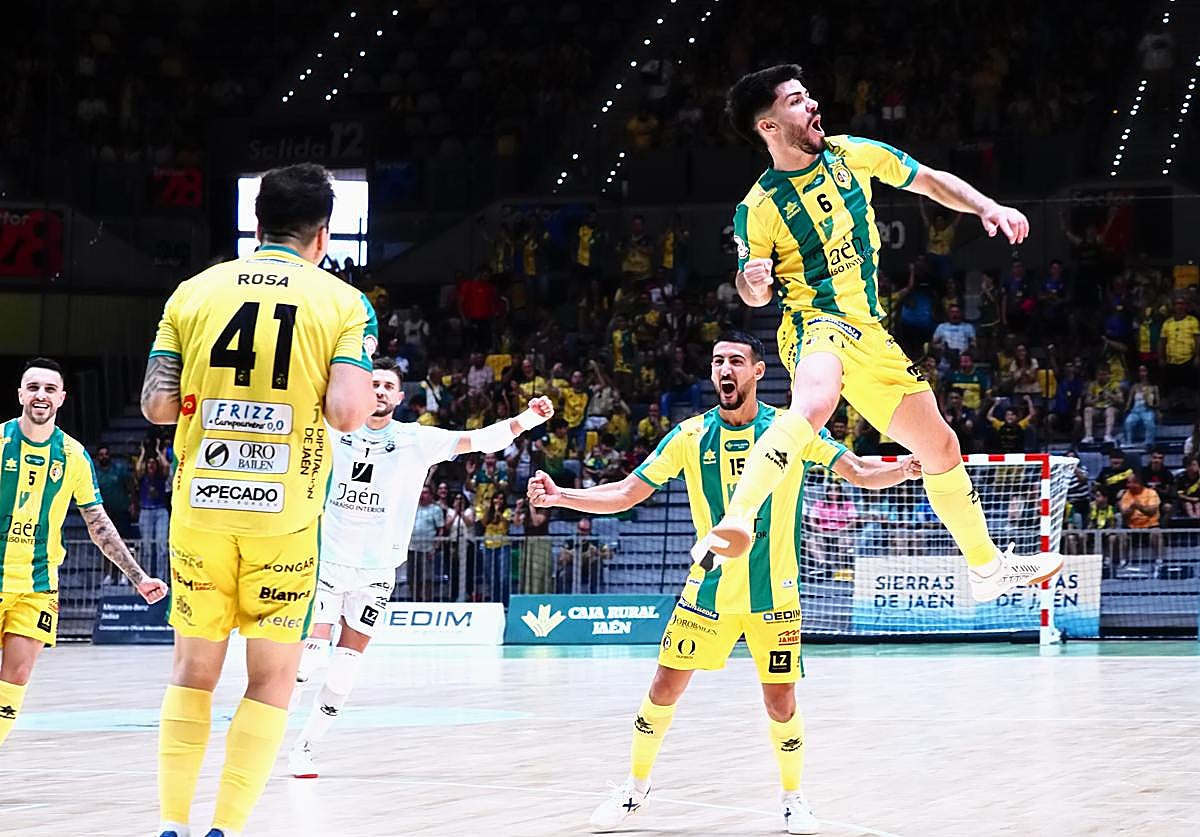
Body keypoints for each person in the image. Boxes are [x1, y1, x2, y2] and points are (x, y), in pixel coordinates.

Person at [527, 332, 920, 834]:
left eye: (736, 360)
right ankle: (634, 790)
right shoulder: (690, 436)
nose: (725, 369)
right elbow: (627, 493)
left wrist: (906, 467)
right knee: (662, 689)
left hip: (773, 594)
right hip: (707, 591)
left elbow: (860, 471)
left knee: (781, 701)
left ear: (758, 371)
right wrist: (564, 497)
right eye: (717, 362)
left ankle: (793, 800)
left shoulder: (791, 429)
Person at [714, 64, 1058, 600]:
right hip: (814, 321)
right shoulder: (757, 208)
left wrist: (987, 206)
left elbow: (929, 179)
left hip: (869, 332)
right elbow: (754, 292)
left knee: (941, 445)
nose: (812, 106)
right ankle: (737, 518)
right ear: (769, 126)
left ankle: (987, 569)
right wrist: (751, 282)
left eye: (809, 96)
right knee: (816, 404)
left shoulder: (852, 154)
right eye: (797, 101)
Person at [142, 163, 380, 837]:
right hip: (285, 515)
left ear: (256, 225)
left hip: (201, 511)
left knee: (192, 670)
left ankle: (170, 824)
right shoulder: (343, 303)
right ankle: (225, 827)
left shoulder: (193, 292)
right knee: (272, 678)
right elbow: (346, 413)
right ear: (323, 234)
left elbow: (158, 404)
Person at [288, 357, 552, 778]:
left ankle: (304, 746)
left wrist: (527, 418)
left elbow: (480, 440)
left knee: (345, 668)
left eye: (387, 386)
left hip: (376, 572)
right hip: (327, 563)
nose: (379, 391)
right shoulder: (331, 429)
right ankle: (267, 729)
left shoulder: (416, 439)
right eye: (372, 383)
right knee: (311, 655)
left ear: (399, 396)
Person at [0, 358, 166, 752]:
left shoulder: (74, 456)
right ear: (21, 394)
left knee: (17, 675)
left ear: (61, 398)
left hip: (37, 585)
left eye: (49, 389)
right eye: (33, 387)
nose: (41, 395)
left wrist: (138, 577)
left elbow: (98, 524)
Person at [93, 444, 137, 584]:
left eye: (106, 454)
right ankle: (110, 575)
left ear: (110, 456)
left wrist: (133, 504)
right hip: (105, 514)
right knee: (106, 544)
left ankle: (126, 575)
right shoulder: (95, 473)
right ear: (97, 457)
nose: (104, 457)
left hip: (122, 512)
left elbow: (131, 487)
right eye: (101, 454)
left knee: (125, 544)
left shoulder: (119, 470)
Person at [1123, 364, 1159, 448]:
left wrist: (1151, 404)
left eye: (1144, 371)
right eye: (1140, 371)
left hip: (1148, 410)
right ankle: (1128, 442)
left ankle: (1148, 442)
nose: (1142, 374)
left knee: (1149, 422)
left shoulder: (1154, 387)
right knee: (1128, 421)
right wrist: (1127, 409)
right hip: (1135, 411)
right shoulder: (1134, 387)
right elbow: (1129, 402)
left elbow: (1158, 403)